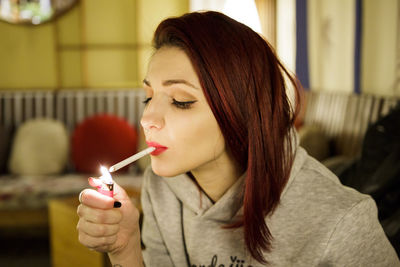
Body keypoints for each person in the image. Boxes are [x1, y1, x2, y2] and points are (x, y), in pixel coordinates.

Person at [76, 11, 399, 266]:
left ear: (241, 111)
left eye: (180, 101)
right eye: (149, 97)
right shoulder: (161, 188)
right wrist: (126, 249)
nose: (147, 119)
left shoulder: (342, 221)